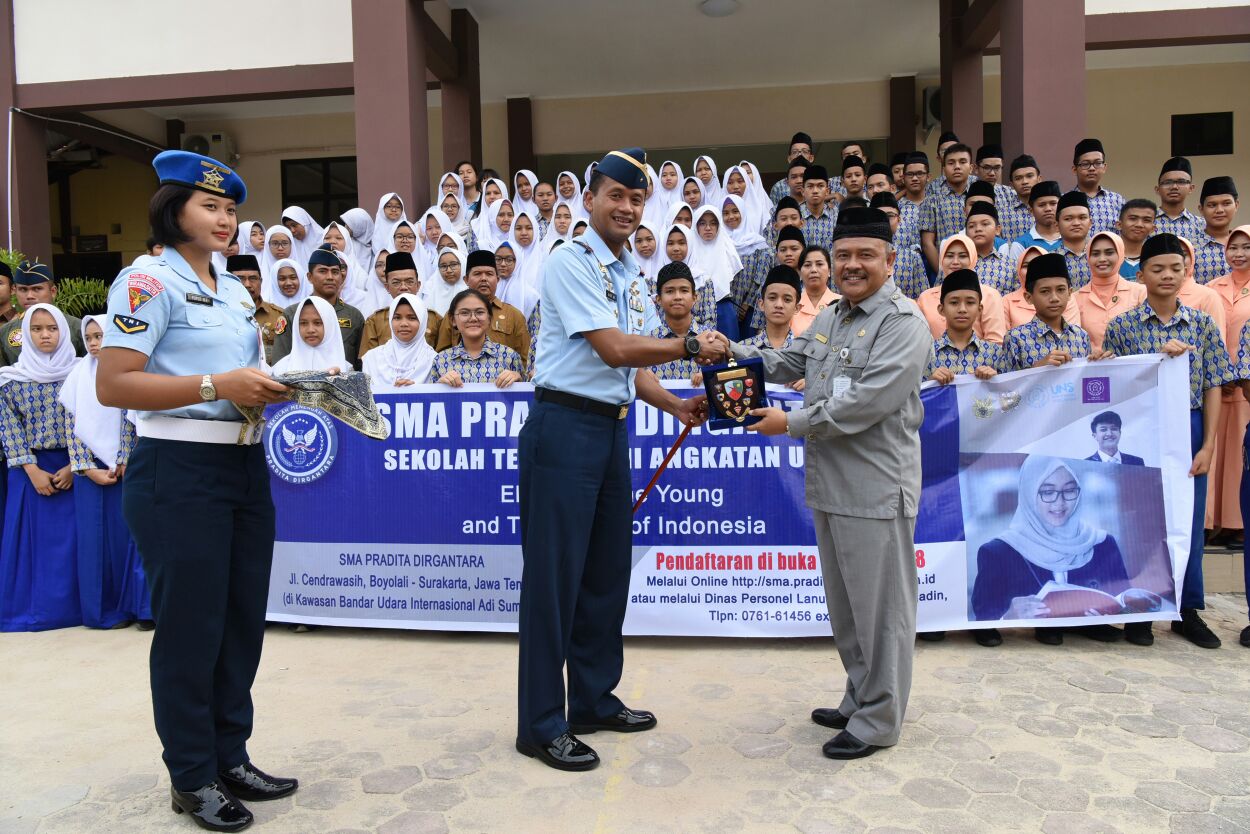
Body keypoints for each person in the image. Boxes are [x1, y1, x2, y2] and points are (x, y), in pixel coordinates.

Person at [95, 151, 296, 829]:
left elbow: (242, 379)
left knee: (240, 620)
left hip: (243, 466)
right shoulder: (146, 282)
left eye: (232, 209)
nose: (225, 219)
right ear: (172, 209)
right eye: (210, 206)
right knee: (191, 627)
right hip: (177, 471)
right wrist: (216, 386)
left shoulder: (238, 291)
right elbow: (114, 383)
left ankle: (229, 754)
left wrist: (278, 390)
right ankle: (190, 776)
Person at [516, 148, 719, 772]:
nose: (627, 208)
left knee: (605, 574)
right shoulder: (570, 262)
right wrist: (688, 343)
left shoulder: (631, 272)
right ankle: (541, 722)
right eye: (616, 197)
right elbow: (612, 349)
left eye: (636, 200)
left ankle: (594, 700)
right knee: (555, 581)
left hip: (610, 430)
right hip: (563, 429)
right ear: (589, 200)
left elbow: (628, 371)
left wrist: (677, 405)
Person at [736, 206, 931, 760]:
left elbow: (866, 401)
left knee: (882, 610)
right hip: (830, 482)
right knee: (847, 606)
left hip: (874, 485)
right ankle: (858, 696)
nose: (851, 265)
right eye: (843, 255)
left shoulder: (903, 322)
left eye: (865, 255)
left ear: (890, 260)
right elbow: (788, 357)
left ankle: (879, 720)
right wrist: (728, 352)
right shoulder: (830, 316)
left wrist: (788, 423)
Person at [1103, 233, 1237, 649]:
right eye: (1157, 268)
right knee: (1140, 518)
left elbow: (1213, 385)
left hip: (1189, 427)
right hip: (1141, 432)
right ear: (1140, 274)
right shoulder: (1122, 326)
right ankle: (1142, 608)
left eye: (1175, 269)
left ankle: (1186, 609)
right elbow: (1112, 386)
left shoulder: (1201, 325)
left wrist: (1209, 443)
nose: (1166, 276)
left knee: (1189, 520)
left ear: (1186, 273)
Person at [0, 302, 88, 633]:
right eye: (36, 330)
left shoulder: (82, 373)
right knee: (32, 543)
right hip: (30, 470)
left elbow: (90, 423)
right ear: (24, 334)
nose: (44, 335)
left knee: (75, 541)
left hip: (76, 467)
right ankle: (34, 611)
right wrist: (31, 469)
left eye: (52, 328)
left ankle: (78, 607)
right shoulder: (10, 380)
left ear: (64, 331)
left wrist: (74, 465)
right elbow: (9, 429)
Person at [60, 315, 150, 630]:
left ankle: (137, 609)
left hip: (128, 468)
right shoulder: (76, 376)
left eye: (101, 336)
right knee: (94, 544)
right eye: (90, 338)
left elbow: (131, 417)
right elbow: (72, 426)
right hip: (89, 474)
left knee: (132, 539)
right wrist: (84, 467)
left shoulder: (126, 372)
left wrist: (123, 458)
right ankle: (101, 612)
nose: (96, 343)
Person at [970, 457, 1129, 623]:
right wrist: (1008, 618)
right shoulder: (998, 553)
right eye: (1047, 492)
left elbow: (1126, 604)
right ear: (1029, 493)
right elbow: (983, 619)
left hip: (1092, 643)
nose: (1059, 503)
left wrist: (1111, 617)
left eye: (1069, 490)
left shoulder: (1102, 544)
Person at [1210, 225, 1250, 545]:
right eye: (1233, 247)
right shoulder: (1212, 287)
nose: (1238, 253)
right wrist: (1221, 374)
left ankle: (1238, 522)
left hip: (1247, 386)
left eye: (1246, 247)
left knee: (1239, 453)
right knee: (1216, 452)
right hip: (1217, 384)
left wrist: (1242, 374)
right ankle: (1214, 521)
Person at [271, 247, 365, 370]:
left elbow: (359, 365)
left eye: (335, 272)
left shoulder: (354, 315)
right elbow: (280, 361)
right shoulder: (292, 313)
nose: (330, 277)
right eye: (323, 271)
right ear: (309, 277)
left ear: (342, 278)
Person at [433, 250, 530, 365]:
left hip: (503, 381)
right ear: (466, 280)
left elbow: (525, 359)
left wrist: (516, 376)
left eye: (489, 274)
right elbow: (442, 355)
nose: (484, 278)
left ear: (497, 279)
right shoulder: (455, 314)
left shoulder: (514, 315)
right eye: (477, 274)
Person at [1001, 253, 1092, 372]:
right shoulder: (1016, 339)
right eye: (1045, 291)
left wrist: (1099, 364)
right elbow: (1006, 386)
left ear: (1069, 293)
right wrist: (1037, 369)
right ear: (1028, 297)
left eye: (1060, 290)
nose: (1054, 298)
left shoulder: (1081, 336)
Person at [916, 234, 1007, 343]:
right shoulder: (926, 297)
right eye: (949, 256)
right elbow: (920, 340)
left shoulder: (990, 295)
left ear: (973, 258)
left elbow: (996, 342)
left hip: (981, 358)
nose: (955, 262)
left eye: (962, 256)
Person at [431, 288, 525, 387]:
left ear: (490, 318)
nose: (473, 318)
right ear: (453, 320)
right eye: (464, 313)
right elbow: (430, 399)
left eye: (480, 312)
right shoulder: (441, 360)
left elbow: (526, 395)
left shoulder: (509, 356)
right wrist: (440, 386)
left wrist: (518, 377)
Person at [357, 252, 441, 359]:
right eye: (396, 283)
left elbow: (442, 359)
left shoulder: (435, 319)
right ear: (387, 287)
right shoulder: (375, 321)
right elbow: (367, 361)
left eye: (409, 282)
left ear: (418, 285)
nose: (403, 287)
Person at [0, 263, 86, 366]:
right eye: (23, 289)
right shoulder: (6, 331)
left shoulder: (77, 327)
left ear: (53, 291)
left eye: (37, 289)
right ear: (15, 290)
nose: (29, 296)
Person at [1074, 232, 1146, 353]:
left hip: (1132, 367)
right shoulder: (1075, 298)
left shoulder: (1140, 292)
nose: (1102, 259)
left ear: (1121, 254)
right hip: (1091, 367)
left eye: (1109, 252)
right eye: (1095, 254)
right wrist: (1094, 351)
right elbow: (1074, 340)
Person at [361, 293, 438, 392]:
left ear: (423, 321)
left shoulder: (434, 360)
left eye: (412, 318)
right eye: (397, 318)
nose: (404, 324)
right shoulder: (372, 358)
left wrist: (415, 391)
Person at [920, 143, 974, 272]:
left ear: (971, 168)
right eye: (951, 163)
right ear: (943, 168)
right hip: (945, 271)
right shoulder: (932, 201)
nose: (957, 167)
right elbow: (927, 244)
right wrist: (942, 272)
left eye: (962, 162)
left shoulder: (978, 197)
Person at [228, 254, 286, 366]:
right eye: (240, 279)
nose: (247, 285)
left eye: (253, 278)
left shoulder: (278, 315)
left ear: (261, 281)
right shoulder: (218, 314)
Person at [873, 191, 926, 300]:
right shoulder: (858, 256)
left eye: (890, 216)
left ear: (899, 219)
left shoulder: (912, 258)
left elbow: (922, 300)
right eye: (878, 215)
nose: (884, 220)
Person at [741, 265, 801, 353]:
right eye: (772, 298)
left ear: (797, 308)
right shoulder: (743, 349)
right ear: (761, 304)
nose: (779, 305)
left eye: (787, 300)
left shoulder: (803, 351)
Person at [1070, 138, 1124, 235]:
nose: (1092, 168)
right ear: (1074, 169)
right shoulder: (1064, 200)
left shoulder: (1117, 201)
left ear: (1104, 167)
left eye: (1097, 163)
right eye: (1085, 164)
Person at [1193, 176, 1239, 285]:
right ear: (1201, 209)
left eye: (1226, 203)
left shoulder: (1246, 242)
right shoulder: (1189, 248)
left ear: (1236, 205)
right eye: (1212, 205)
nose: (1219, 210)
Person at [1153, 157, 1206, 243]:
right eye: (1167, 182)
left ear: (1191, 188)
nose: (1174, 187)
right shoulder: (1145, 223)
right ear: (1157, 189)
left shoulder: (1202, 225)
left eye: (1181, 182)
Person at [792, 245, 839, 337]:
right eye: (807, 265)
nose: (813, 270)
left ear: (829, 271)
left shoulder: (844, 303)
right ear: (800, 273)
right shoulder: (791, 304)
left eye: (819, 264)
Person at [1056, 191, 1093, 290]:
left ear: (1090, 223)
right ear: (1057, 225)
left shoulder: (1101, 256)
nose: (1076, 223)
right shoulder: (1051, 259)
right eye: (1068, 219)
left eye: (1082, 217)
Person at [1013, 180, 1063, 253]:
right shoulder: (1021, 244)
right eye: (1042, 205)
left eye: (1053, 203)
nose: (1048, 209)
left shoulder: (1071, 238)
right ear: (1031, 210)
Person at [1001, 154, 1041, 241]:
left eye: (1029, 176)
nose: (1025, 182)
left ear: (1039, 179)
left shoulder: (1051, 209)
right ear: (1011, 184)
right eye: (1018, 178)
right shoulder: (1002, 214)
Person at [799, 164, 837, 253]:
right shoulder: (794, 216)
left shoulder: (837, 215)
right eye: (810, 186)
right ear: (803, 191)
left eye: (820, 186)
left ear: (827, 191)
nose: (815, 191)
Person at [769, 132, 815, 204]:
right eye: (795, 152)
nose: (800, 155)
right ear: (789, 158)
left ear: (811, 158)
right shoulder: (779, 187)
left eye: (804, 151)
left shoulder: (821, 183)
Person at [1117, 198, 1158, 277]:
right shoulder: (1107, 257)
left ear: (1153, 229)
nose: (1139, 224)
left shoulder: (1156, 259)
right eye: (1133, 219)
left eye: (1146, 220)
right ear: (1119, 225)